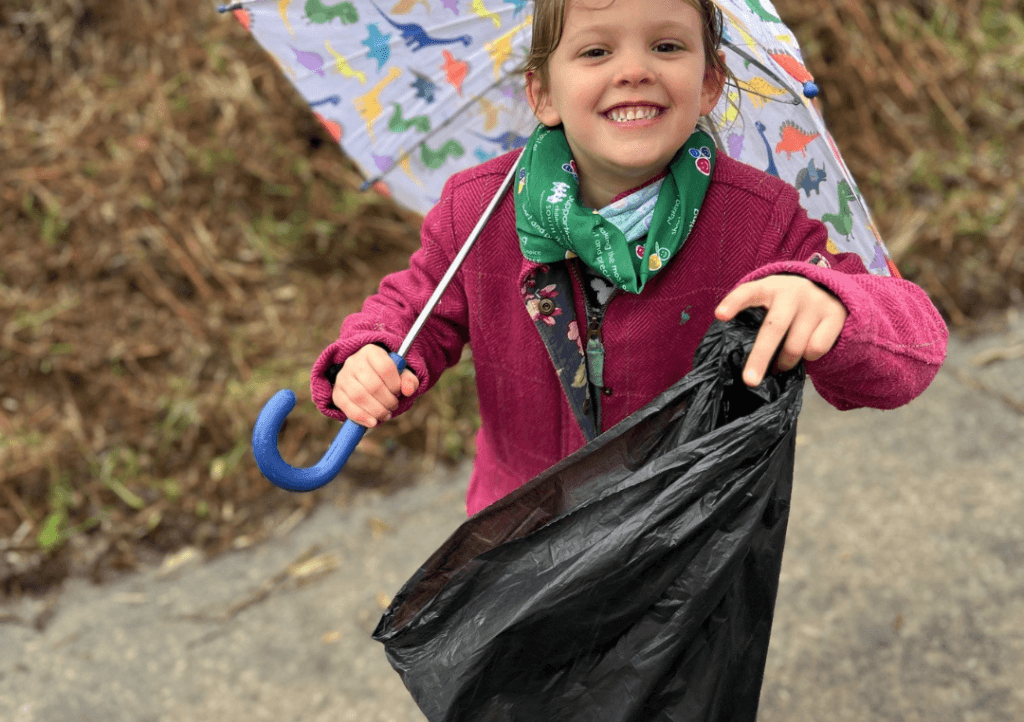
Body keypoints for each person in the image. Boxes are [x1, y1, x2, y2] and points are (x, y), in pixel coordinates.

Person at [311, 0, 948, 515]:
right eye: (595, 51)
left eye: (667, 47)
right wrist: (370, 353)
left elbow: (912, 347)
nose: (635, 70)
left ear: (709, 84)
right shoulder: (480, 209)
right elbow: (414, 309)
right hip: (516, 530)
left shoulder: (757, 220)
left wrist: (831, 303)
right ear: (543, 94)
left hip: (683, 543)